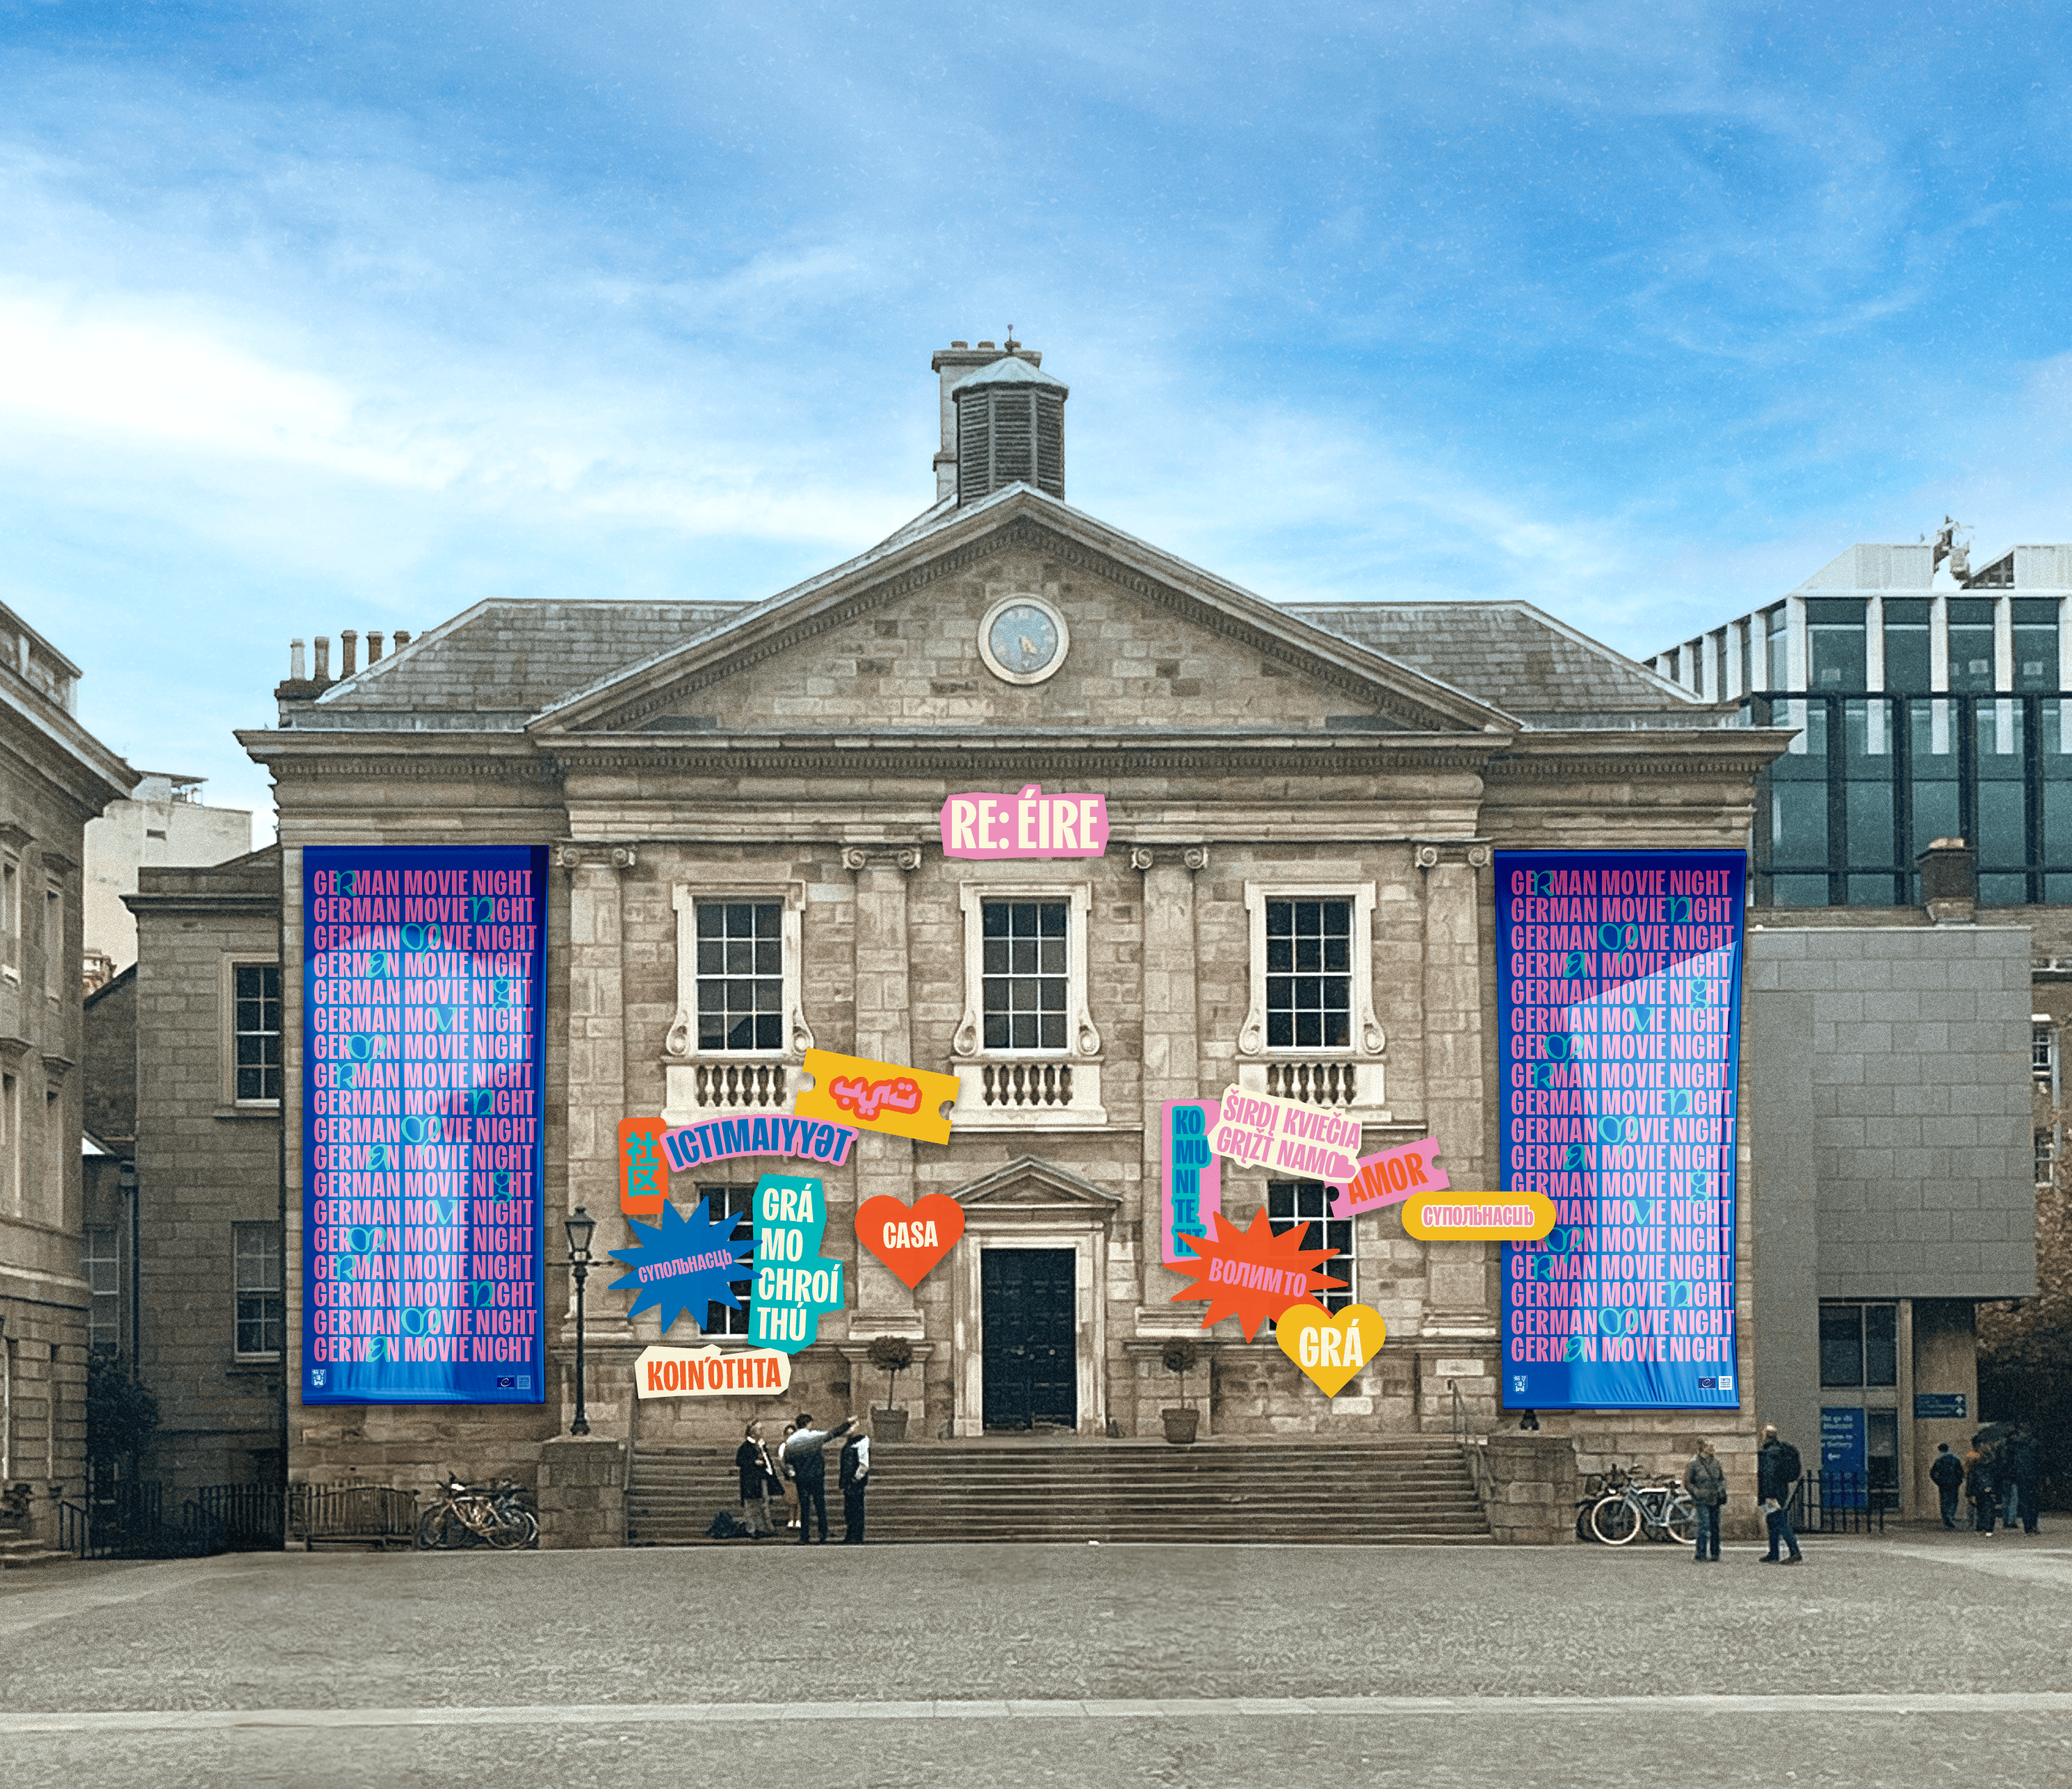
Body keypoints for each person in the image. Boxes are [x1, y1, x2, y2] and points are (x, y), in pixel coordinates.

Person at [782, 1412, 855, 1545]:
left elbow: (786, 1461)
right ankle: (823, 1533)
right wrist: (847, 1423)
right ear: (808, 1424)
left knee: (804, 1508)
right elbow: (832, 1434)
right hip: (816, 1476)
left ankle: (805, 1536)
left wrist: (792, 1474)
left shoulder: (791, 1441)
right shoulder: (814, 1437)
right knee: (820, 1505)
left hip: (801, 1478)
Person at [1756, 1423, 1804, 1564]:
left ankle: (1794, 1552)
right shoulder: (1778, 1450)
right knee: (1772, 1521)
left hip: (1773, 1493)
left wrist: (1769, 1495)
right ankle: (1774, 1552)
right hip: (1781, 1490)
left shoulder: (1770, 1453)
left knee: (1781, 1521)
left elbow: (1769, 1475)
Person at [1684, 1439, 1726, 1563]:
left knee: (1715, 1527)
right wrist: (1696, 1492)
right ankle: (1700, 1554)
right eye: (1710, 1446)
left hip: (1715, 1498)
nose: (1713, 1448)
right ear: (1703, 1448)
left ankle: (1715, 1553)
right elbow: (1688, 1482)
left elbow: (1721, 1478)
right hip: (1702, 1499)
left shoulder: (1716, 1463)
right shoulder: (1694, 1464)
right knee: (1704, 1526)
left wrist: (1722, 1488)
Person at [735, 1420, 779, 1538]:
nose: (762, 1432)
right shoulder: (745, 1447)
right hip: (750, 1481)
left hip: (761, 1479)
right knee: (751, 1506)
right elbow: (739, 1461)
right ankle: (752, 1529)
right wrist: (754, 1462)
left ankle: (763, 1527)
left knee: (762, 1503)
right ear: (753, 1433)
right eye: (760, 1429)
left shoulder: (761, 1446)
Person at [839, 1416, 872, 1544]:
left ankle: (856, 1535)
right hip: (848, 1481)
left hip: (855, 1482)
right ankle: (850, 1533)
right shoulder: (850, 1443)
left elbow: (864, 1464)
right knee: (849, 1509)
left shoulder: (861, 1442)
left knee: (856, 1509)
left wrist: (856, 1478)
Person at [2009, 1425, 2043, 1536]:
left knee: (2024, 1503)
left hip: (2021, 1477)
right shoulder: (2036, 1443)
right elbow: (2042, 1462)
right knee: (2034, 1502)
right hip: (2034, 1477)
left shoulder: (2015, 1444)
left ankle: (2027, 1527)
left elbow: (2009, 1461)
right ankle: (2034, 1525)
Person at [1929, 1442, 1966, 1530]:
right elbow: (1961, 1472)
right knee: (1954, 1500)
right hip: (1954, 1484)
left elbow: (1932, 1473)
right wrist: (1959, 1481)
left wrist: (1938, 1482)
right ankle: (1951, 1516)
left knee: (1944, 1501)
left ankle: (1946, 1518)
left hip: (1943, 1485)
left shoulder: (1939, 1460)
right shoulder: (1955, 1460)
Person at [1966, 1439, 1998, 1537]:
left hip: (1978, 1486)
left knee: (1979, 1509)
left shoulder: (1973, 1456)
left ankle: (1980, 1527)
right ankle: (1988, 1529)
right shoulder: (1992, 1460)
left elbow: (1968, 1467)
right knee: (1989, 1508)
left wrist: (1970, 1493)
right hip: (1989, 1486)